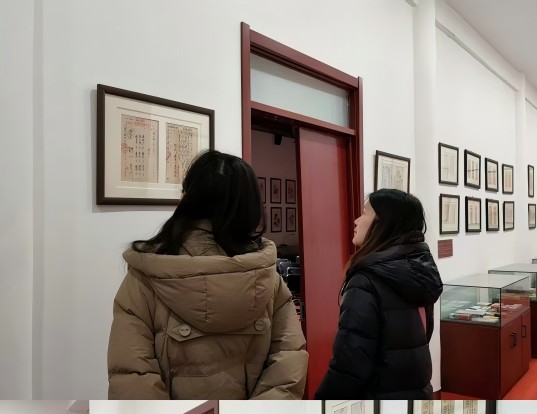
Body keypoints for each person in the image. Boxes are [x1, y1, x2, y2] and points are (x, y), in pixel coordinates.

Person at [107, 149, 308, 400]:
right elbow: (288, 363)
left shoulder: (145, 278)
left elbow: (133, 379)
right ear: (251, 206)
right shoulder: (268, 277)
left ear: (186, 198)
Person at [315, 189, 443, 399]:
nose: (356, 220)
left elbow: (349, 366)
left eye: (364, 213)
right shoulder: (418, 271)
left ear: (384, 223)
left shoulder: (366, 281)